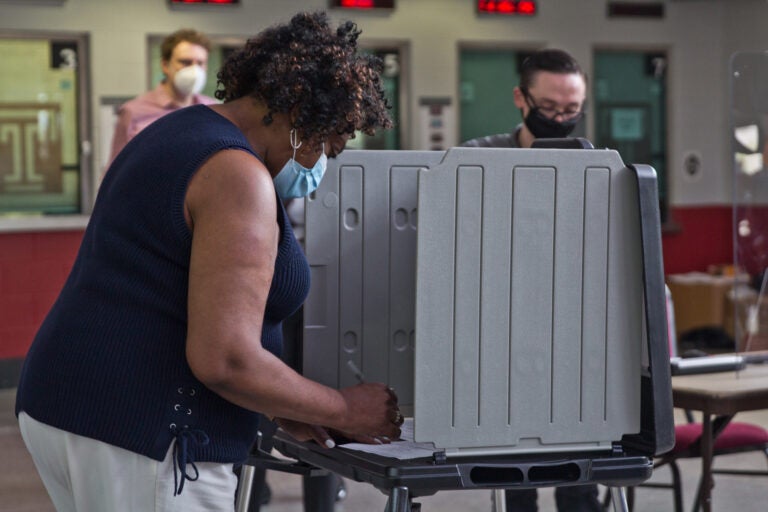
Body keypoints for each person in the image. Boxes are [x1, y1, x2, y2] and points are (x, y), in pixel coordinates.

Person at [15, 11, 403, 512]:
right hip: (147, 431)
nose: (324, 162)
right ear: (299, 112)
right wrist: (346, 408)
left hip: (70, 406)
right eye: (330, 143)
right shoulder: (236, 174)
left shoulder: (181, 130)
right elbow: (226, 358)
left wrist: (286, 405)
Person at [463, 49, 600, 512]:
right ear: (521, 99)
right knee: (513, 466)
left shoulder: (597, 167)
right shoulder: (477, 159)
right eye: (549, 109)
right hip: (500, 334)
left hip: (574, 337)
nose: (561, 120)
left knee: (579, 462)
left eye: (571, 111)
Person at [108, 28, 218, 165]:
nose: (194, 71)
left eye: (200, 63)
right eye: (185, 62)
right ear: (165, 65)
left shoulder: (212, 110)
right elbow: (115, 171)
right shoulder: (133, 111)